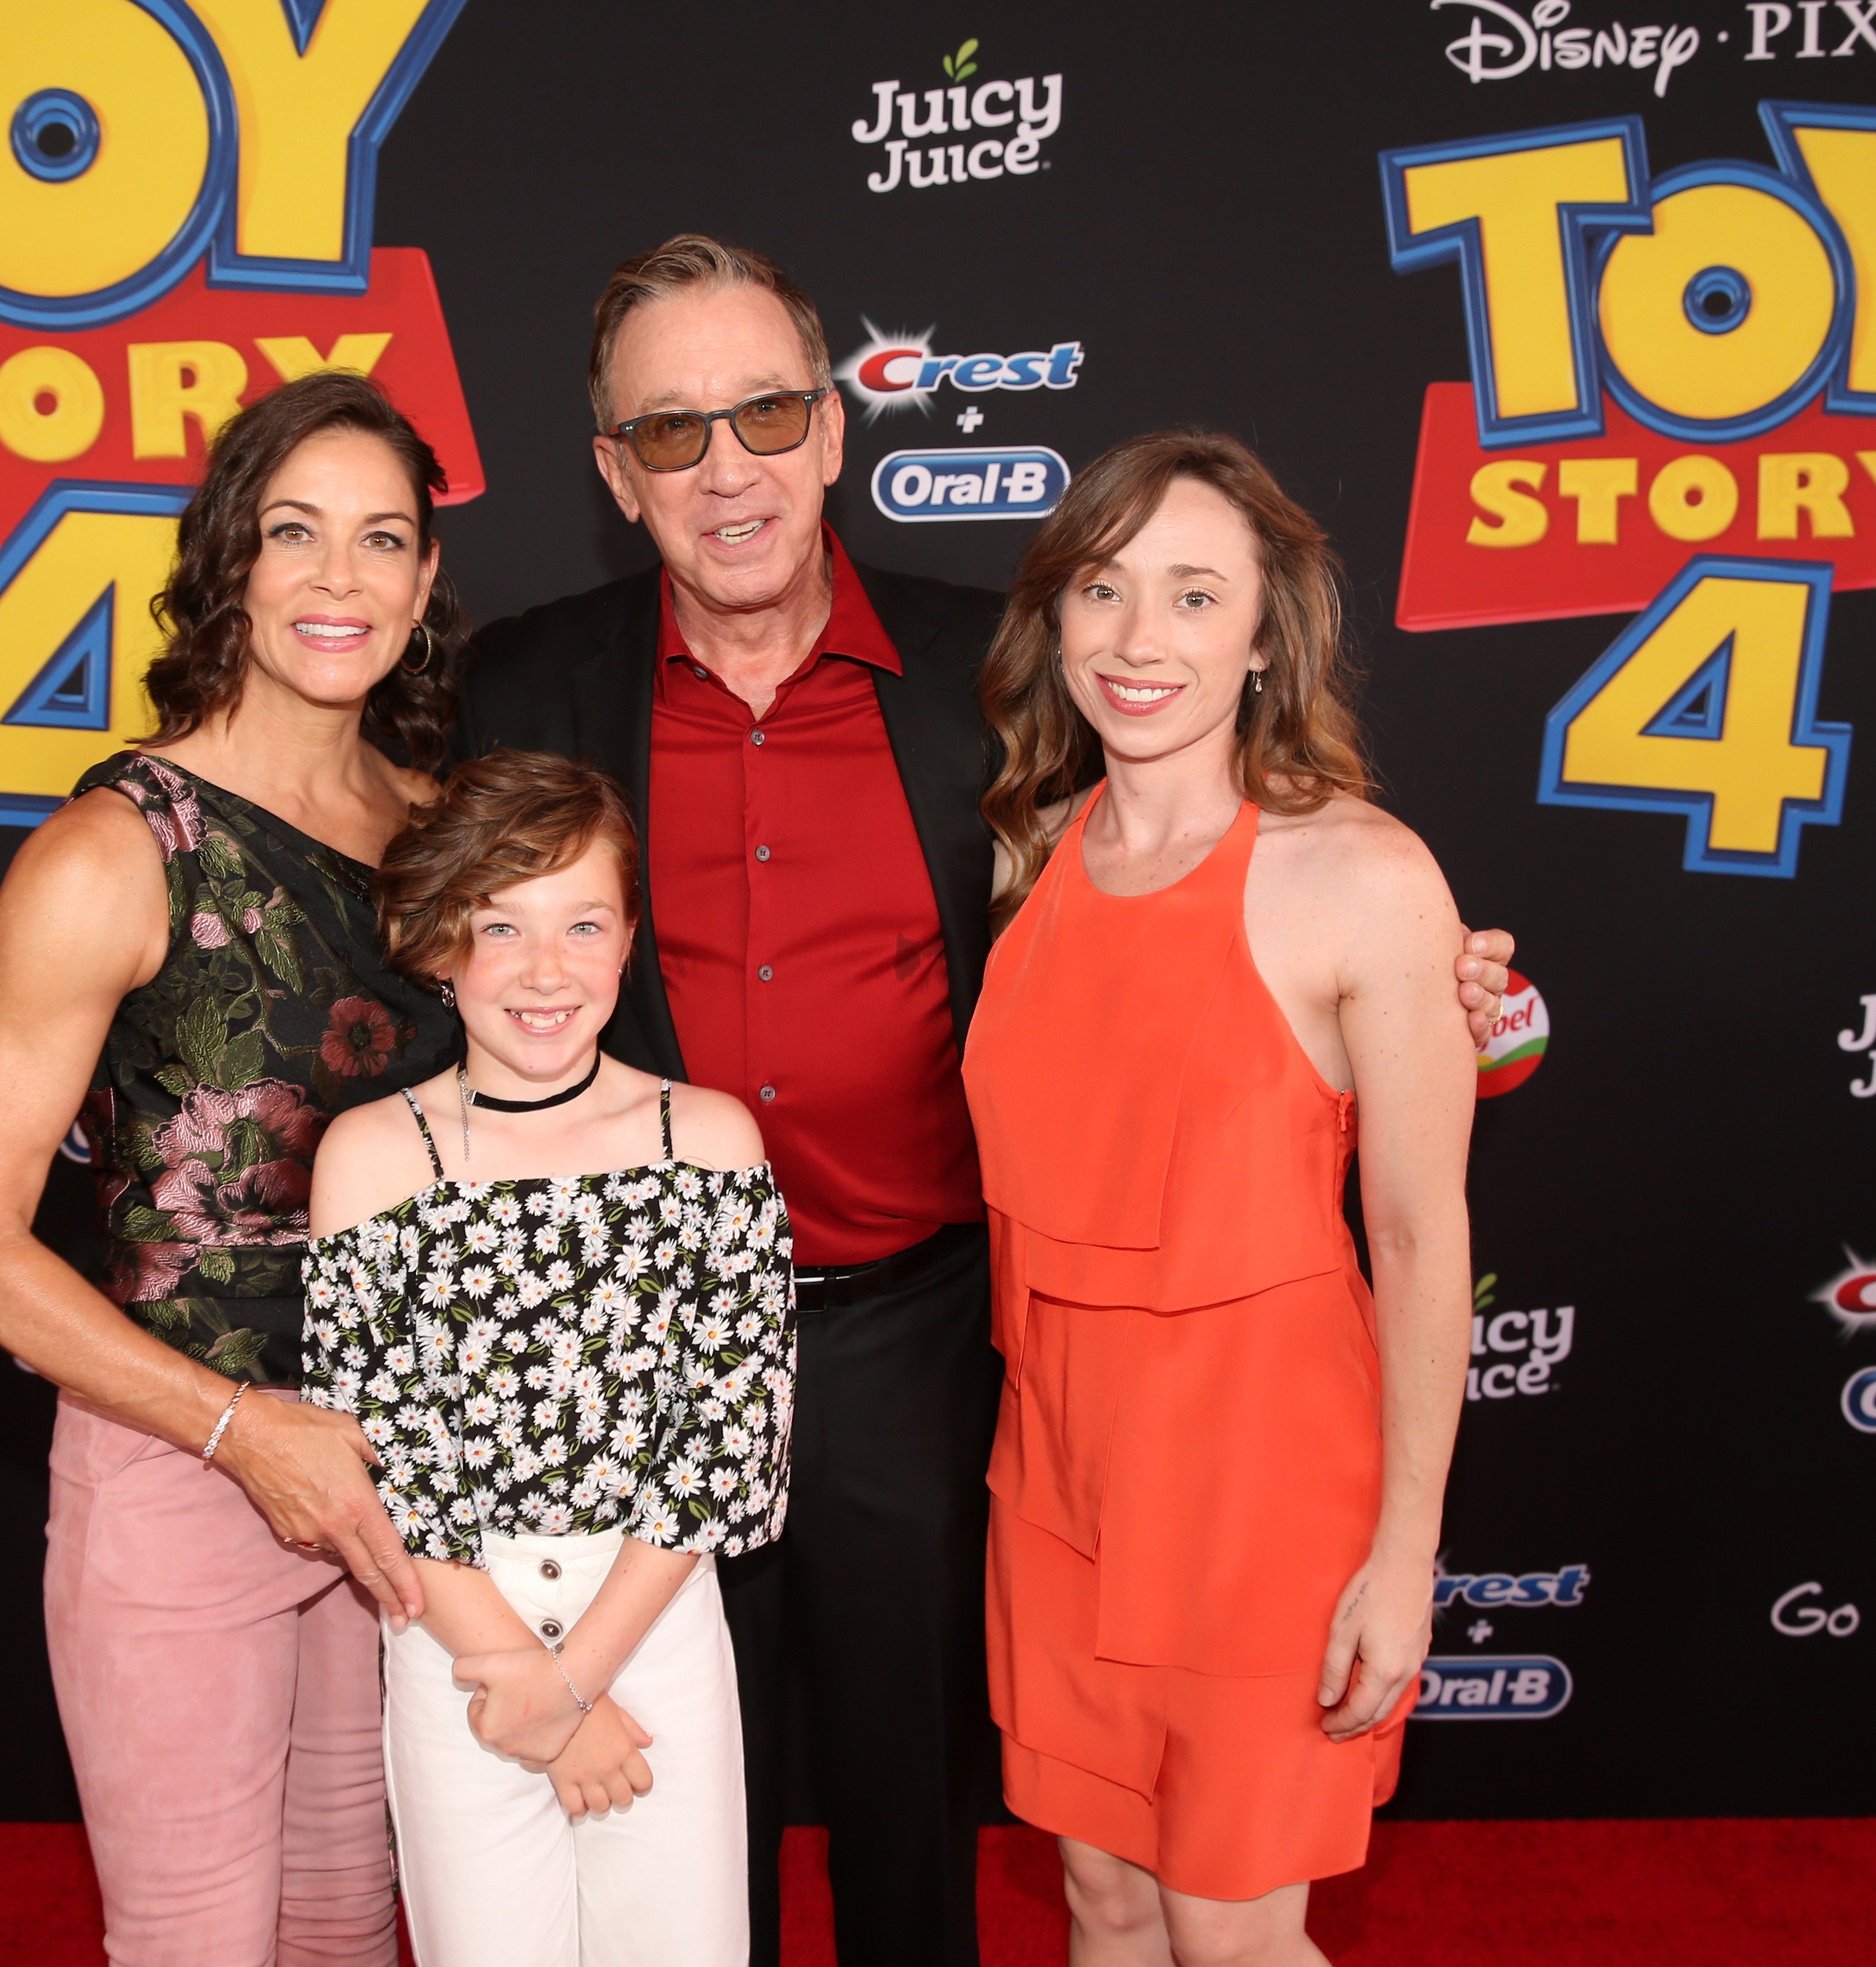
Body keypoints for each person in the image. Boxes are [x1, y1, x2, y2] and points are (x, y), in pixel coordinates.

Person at [456, 234, 1518, 1967]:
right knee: (639, 1810)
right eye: (671, 433)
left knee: (924, 1813)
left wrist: (1449, 983)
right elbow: (446, 932)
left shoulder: (994, 682)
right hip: (643, 1338)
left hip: (931, 1348)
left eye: (765, 413)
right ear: (613, 473)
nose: (727, 469)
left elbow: (1242, 880)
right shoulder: (522, 689)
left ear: (831, 431)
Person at [0, 371, 467, 1967]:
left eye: (382, 540)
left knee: (347, 1927)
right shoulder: (113, 850)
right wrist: (241, 1430)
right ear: (230, 554)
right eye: (296, 533)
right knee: (196, 1942)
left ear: (425, 581)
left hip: (390, 1478)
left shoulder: (436, 832)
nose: (339, 579)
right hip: (181, 1461)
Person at [963, 431, 1475, 1966]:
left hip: (1264, 1497)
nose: (1140, 640)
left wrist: (1406, 1551)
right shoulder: (1034, 850)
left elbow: (1417, 1234)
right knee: (1105, 1901)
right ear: (1056, 619)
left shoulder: (1366, 876)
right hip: (1058, 1477)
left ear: (1267, 635)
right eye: (1106, 590)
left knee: (1233, 1927)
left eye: (1196, 596)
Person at [302, 749, 795, 1966]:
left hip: (656, 1625)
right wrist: (521, 1677)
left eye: (583, 924)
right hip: (453, 1636)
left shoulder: (708, 1137)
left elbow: (727, 1444)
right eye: (499, 926)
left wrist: (576, 1679)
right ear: (438, 944)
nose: (544, 972)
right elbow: (385, 1458)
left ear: (631, 938)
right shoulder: (371, 1156)